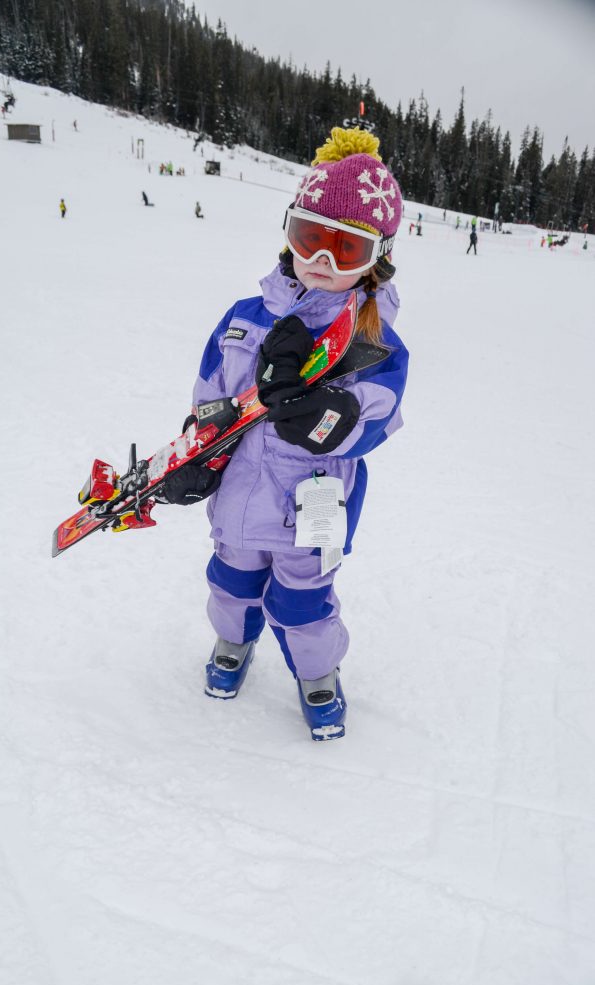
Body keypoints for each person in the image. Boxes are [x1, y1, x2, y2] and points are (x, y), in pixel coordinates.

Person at [154, 126, 408, 741]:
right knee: (230, 581)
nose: (320, 261)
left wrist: (326, 418)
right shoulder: (243, 318)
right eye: (309, 238)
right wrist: (196, 452)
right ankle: (232, 644)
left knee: (304, 605)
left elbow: (375, 417)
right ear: (287, 233)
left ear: (376, 261)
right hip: (238, 498)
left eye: (344, 251)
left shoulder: (374, 344)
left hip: (310, 511)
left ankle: (317, 675)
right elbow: (210, 392)